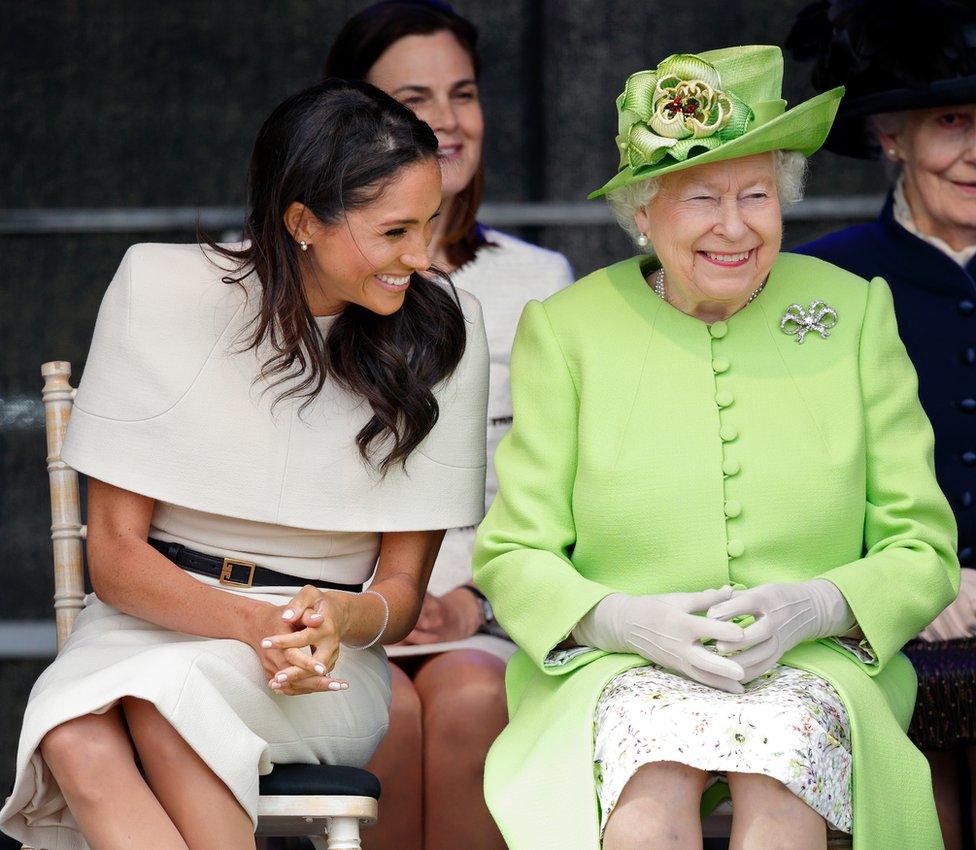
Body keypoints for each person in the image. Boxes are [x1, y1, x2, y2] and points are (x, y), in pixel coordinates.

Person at [473, 45, 960, 850]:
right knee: (644, 817)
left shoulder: (855, 311)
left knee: (781, 795)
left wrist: (817, 606)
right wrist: (623, 621)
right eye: (701, 197)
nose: (733, 227)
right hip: (618, 665)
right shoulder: (567, 331)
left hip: (812, 662)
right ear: (642, 212)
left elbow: (923, 547)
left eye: (757, 195)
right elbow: (515, 554)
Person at [0, 79, 489, 850]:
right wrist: (254, 625)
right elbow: (118, 560)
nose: (422, 256)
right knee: (73, 738)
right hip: (145, 619)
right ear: (302, 221)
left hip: (323, 655)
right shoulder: (158, 289)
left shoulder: (442, 331)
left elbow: (398, 593)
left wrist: (334, 620)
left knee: (162, 710)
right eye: (395, 230)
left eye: (430, 224)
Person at [324, 4, 573, 849]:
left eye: (463, 94)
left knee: (469, 700)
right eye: (414, 97)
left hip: (488, 610)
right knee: (382, 716)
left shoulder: (539, 280)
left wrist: (473, 600)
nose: (447, 120)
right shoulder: (309, 283)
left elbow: (561, 481)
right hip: (339, 609)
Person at [787, 2, 976, 845]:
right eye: (950, 123)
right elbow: (791, 468)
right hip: (879, 619)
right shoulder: (820, 279)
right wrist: (902, 585)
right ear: (893, 135)